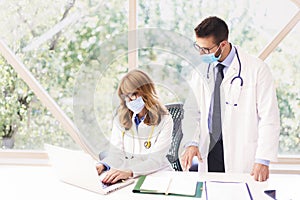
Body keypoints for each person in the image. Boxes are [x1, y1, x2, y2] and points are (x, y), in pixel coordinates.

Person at [180, 16, 280, 182]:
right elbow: (191, 111)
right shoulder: (200, 71)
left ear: (223, 44)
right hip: (209, 149)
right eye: (198, 47)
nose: (201, 53)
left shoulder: (256, 69)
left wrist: (263, 159)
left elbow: (269, 117)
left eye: (206, 49)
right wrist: (192, 142)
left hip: (241, 152)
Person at [96, 69, 173, 184]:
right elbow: (116, 154)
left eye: (134, 94)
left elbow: (156, 160)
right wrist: (103, 165)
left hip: (157, 175)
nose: (130, 100)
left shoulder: (165, 119)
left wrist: (130, 171)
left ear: (146, 92)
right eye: (126, 96)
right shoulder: (121, 119)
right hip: (129, 178)